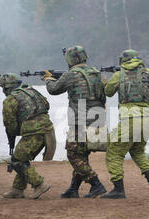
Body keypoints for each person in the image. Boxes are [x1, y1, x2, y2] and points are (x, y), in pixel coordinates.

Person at [43, 46, 107, 199]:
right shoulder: (96, 73)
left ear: (70, 60)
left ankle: (96, 183)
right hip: (97, 119)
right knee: (82, 154)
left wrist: (48, 79)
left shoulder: (70, 75)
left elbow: (54, 89)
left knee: (72, 154)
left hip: (79, 121)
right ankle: (73, 188)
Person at [102, 49, 149, 199]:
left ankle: (118, 189)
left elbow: (108, 92)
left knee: (114, 152)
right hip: (148, 119)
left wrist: (106, 82)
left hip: (130, 119)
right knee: (138, 151)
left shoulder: (119, 75)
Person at [0, 73, 55, 199]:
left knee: (17, 160)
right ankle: (17, 189)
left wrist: (17, 132)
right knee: (22, 158)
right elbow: (46, 105)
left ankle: (39, 184)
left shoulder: (10, 100)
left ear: (7, 88)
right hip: (48, 130)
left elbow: (9, 124)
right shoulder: (31, 91)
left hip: (33, 132)